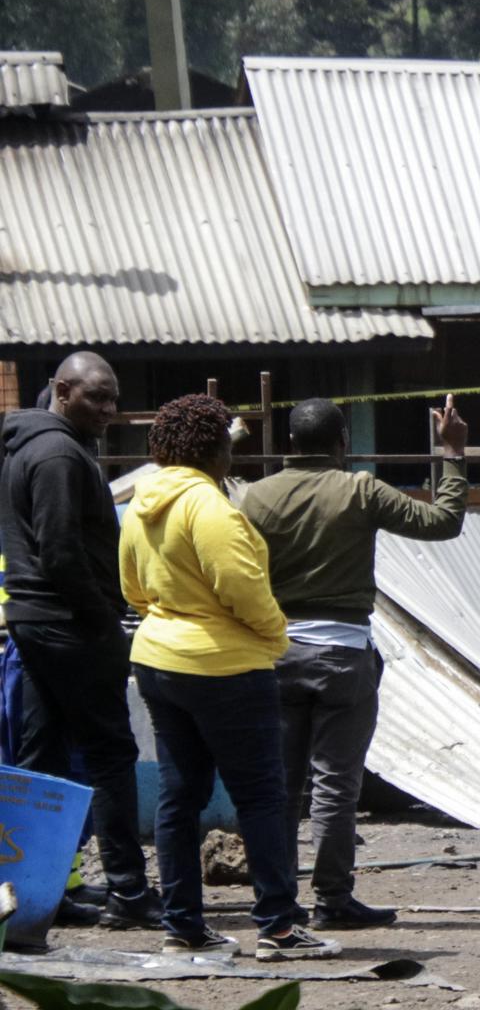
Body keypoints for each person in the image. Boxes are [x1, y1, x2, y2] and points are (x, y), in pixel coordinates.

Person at [121, 394, 340, 961]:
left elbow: (132, 589)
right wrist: (274, 637)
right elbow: (243, 589)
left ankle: (184, 927)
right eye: (228, 444)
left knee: (180, 795)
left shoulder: (141, 504)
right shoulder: (211, 509)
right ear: (216, 448)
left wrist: (173, 620)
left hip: (158, 661)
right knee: (263, 797)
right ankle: (280, 928)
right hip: (225, 667)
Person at [238, 395, 467, 930]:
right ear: (343, 442)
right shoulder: (360, 491)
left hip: (275, 656)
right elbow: (443, 521)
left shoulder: (253, 499)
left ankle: (277, 902)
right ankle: (333, 900)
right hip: (343, 658)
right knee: (335, 787)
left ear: (291, 444)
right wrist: (452, 455)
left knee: (280, 789)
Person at [0, 352, 161, 932]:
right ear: (62, 391)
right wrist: (101, 620)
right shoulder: (58, 453)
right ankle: (128, 891)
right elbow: (61, 550)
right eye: (97, 397)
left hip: (36, 621)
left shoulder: (29, 446)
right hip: (66, 622)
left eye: (114, 398)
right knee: (111, 755)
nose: (109, 411)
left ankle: (40, 890)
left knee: (42, 763)